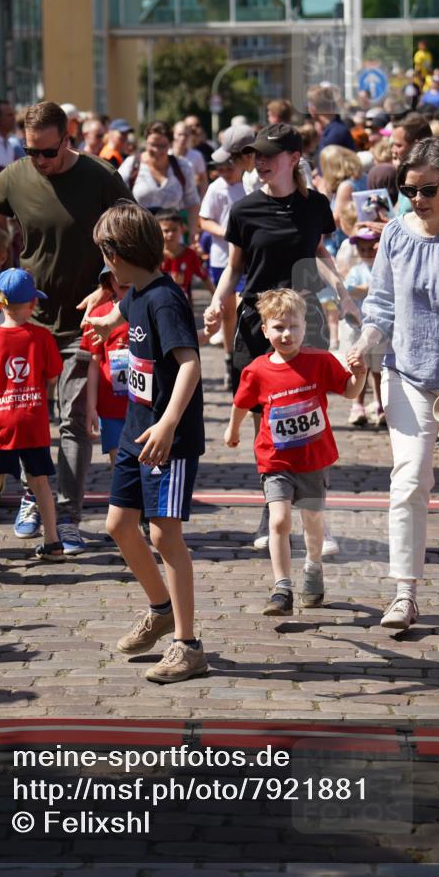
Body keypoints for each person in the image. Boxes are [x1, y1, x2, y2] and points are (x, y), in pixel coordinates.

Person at [0, 100, 134, 553]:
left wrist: (112, 287)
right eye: (32, 152)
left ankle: (67, 515)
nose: (40, 162)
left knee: (72, 419)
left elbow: (135, 235)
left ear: (67, 140)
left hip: (85, 320)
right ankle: (37, 494)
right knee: (23, 413)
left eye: (47, 153)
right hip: (27, 318)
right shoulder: (16, 176)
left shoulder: (100, 177)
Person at [347, 137, 439, 630]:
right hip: (405, 373)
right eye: (409, 191)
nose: (418, 200)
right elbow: (381, 304)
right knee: (408, 481)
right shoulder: (395, 236)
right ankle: (404, 592)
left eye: (428, 189)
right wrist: (364, 346)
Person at [203, 123, 359, 554]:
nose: (261, 161)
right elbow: (235, 268)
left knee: (309, 418)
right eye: (256, 155)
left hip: (302, 321)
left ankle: (314, 518)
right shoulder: (245, 210)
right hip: (258, 325)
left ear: (294, 158)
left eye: (270, 154)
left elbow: (320, 255)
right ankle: (271, 510)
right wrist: (218, 304)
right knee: (266, 424)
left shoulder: (315, 206)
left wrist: (344, 298)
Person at [86, 202, 207, 684]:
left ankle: (188, 645)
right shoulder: (135, 290)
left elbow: (190, 364)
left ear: (116, 253)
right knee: (119, 524)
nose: (103, 262)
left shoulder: (164, 298)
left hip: (166, 440)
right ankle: (160, 609)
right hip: (139, 431)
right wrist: (105, 320)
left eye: (103, 253)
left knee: (164, 534)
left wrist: (169, 423)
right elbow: (122, 312)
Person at [225, 289, 365, 615]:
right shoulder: (257, 370)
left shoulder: (319, 361)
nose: (286, 334)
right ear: (265, 330)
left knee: (312, 520)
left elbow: (348, 391)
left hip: (313, 460)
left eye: (294, 327)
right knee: (279, 519)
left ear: (305, 327)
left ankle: (313, 567)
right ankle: (282, 587)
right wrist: (232, 430)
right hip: (275, 459)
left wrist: (359, 374)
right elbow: (242, 403)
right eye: (278, 327)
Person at [0, 269, 64, 568]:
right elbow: (52, 376)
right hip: (33, 422)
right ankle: (53, 541)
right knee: (40, 483)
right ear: (33, 304)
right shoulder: (42, 336)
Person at [199, 125, 253, 386]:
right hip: (223, 258)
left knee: (245, 308)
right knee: (228, 313)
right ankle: (230, 359)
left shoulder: (251, 183)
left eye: (228, 168)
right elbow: (204, 220)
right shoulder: (216, 188)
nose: (224, 173)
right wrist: (226, 232)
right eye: (219, 170)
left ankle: (246, 357)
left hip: (247, 259)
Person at [82, 265, 130, 469]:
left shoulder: (146, 308)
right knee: (119, 461)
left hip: (145, 403)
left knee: (146, 461)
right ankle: (125, 500)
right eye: (118, 276)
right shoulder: (99, 314)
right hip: (110, 403)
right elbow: (93, 365)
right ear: (109, 281)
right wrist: (91, 406)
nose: (125, 280)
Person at [119, 121, 200, 239]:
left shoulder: (182, 167)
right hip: (139, 238)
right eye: (152, 144)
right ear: (145, 142)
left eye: (162, 146)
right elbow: (116, 198)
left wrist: (193, 232)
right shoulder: (132, 164)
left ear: (170, 144)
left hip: (173, 241)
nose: (156, 150)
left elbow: (192, 203)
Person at [340, 226, 384, 427]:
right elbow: (349, 291)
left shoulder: (383, 269)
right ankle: (358, 405)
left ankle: (379, 403)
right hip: (358, 327)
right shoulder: (356, 271)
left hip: (379, 329)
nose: (367, 253)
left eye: (371, 249)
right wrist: (366, 289)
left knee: (378, 369)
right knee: (360, 365)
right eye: (363, 249)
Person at [158, 209, 214, 304]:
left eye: (174, 230)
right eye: (166, 231)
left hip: (183, 303)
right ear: (158, 231)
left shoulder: (190, 254)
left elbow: (204, 277)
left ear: (182, 229)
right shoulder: (155, 255)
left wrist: (216, 297)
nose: (171, 234)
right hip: (158, 302)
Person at [307, 85, 356, 153]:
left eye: (309, 104)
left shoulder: (334, 134)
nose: (308, 108)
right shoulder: (334, 130)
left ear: (314, 108)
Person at [172, 121, 208, 198]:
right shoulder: (166, 154)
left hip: (190, 202)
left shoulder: (197, 155)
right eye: (179, 134)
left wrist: (202, 200)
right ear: (173, 134)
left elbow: (203, 180)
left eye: (186, 135)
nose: (183, 138)